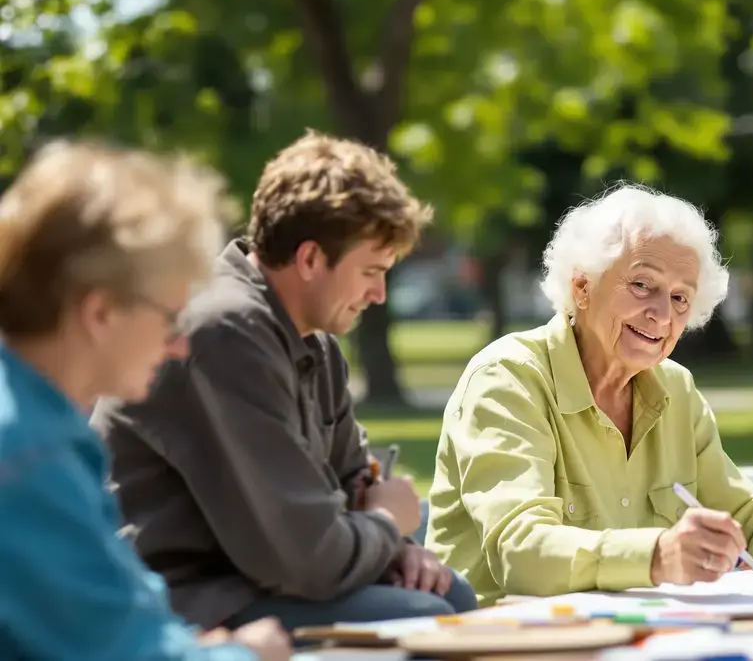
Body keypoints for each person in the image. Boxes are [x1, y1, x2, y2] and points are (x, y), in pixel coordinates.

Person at [90, 131, 476, 633]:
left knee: (450, 592)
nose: (379, 294)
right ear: (311, 259)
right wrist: (387, 525)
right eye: (371, 272)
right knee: (425, 619)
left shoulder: (311, 339)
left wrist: (399, 550)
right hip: (179, 596)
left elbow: (353, 484)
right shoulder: (225, 332)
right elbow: (311, 559)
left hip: (254, 578)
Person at [425, 184, 753, 607]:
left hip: (632, 636)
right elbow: (522, 552)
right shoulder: (507, 380)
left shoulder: (675, 388)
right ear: (582, 287)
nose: (662, 314)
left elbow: (744, 511)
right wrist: (657, 556)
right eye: (641, 285)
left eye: (680, 297)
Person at [0, 142, 291, 660]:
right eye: (171, 315)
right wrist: (248, 655)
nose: (181, 344)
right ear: (100, 312)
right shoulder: (29, 457)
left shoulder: (33, 430)